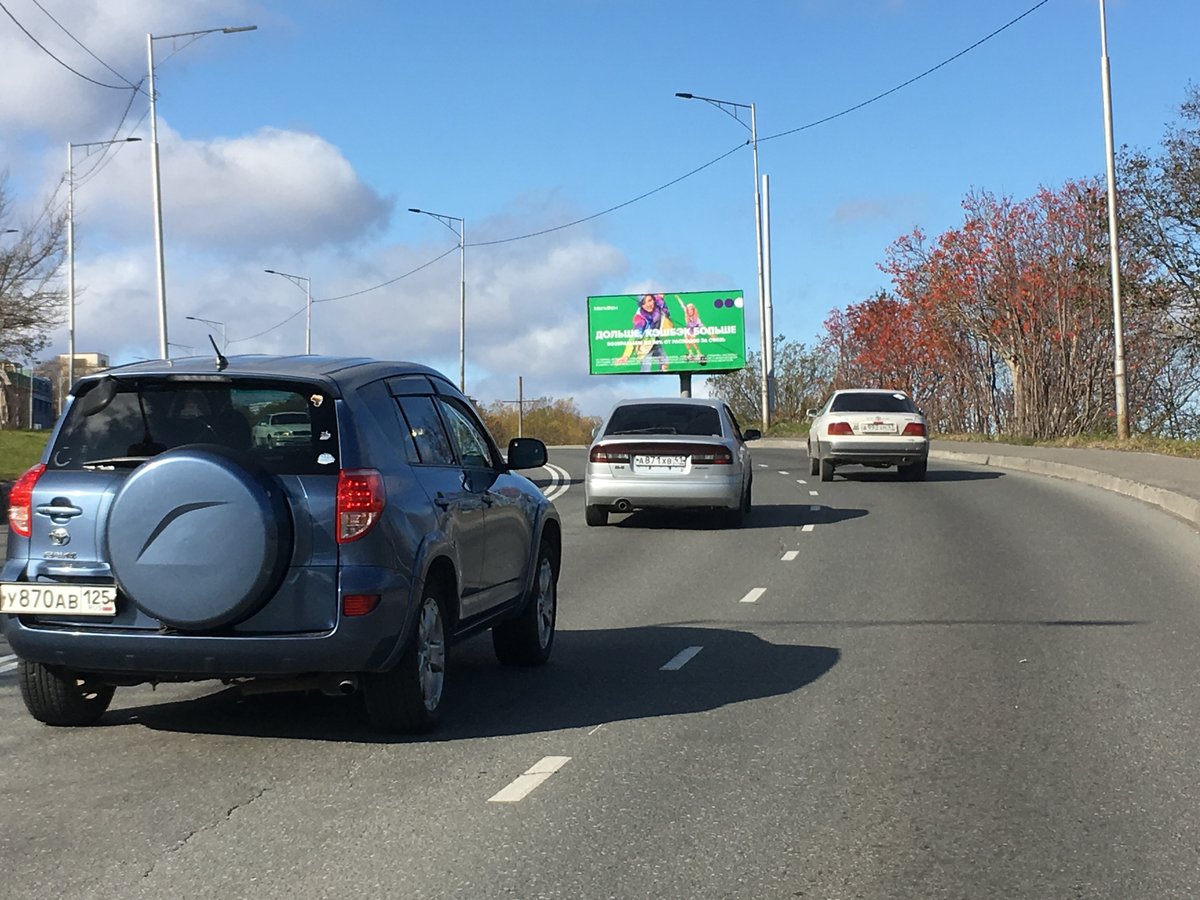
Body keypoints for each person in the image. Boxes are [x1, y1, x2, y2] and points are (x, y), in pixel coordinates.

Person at [616, 293, 675, 372]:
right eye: (644, 303)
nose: (648, 305)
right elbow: (633, 337)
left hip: (655, 340)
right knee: (646, 368)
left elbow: (660, 297)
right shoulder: (640, 319)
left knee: (664, 362)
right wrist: (626, 355)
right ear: (641, 305)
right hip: (645, 346)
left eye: (650, 301)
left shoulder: (657, 302)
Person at [674, 294, 707, 364]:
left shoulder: (696, 318)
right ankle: (690, 353)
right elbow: (682, 305)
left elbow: (701, 325)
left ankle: (699, 353)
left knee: (692, 339)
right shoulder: (686, 314)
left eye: (691, 310)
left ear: (693, 310)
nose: (690, 311)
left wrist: (704, 330)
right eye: (688, 310)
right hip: (688, 329)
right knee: (686, 340)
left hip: (693, 330)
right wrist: (678, 298)